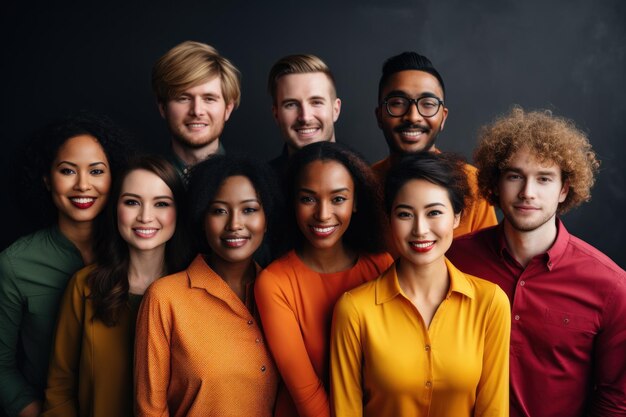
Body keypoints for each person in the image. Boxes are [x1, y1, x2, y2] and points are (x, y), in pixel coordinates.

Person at [447, 107, 626, 417]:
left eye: (544, 179)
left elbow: (615, 399)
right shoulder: (453, 261)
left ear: (564, 189)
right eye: (515, 176)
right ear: (496, 183)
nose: (527, 193)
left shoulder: (611, 286)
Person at [330, 152, 510, 417]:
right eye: (405, 214)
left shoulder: (490, 302)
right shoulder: (354, 310)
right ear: (389, 219)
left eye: (434, 212)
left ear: (457, 217)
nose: (420, 230)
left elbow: (493, 410)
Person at [0, 113, 131, 417]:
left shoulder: (136, 250)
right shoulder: (15, 264)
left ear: (115, 178)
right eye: (67, 171)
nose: (83, 185)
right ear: (47, 179)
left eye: (96, 171)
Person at [42, 156, 190, 417]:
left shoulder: (195, 290)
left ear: (178, 212)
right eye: (132, 202)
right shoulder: (84, 286)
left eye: (161, 204)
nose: (145, 217)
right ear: (115, 209)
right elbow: (59, 388)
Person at [135, 155, 281, 417]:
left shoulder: (283, 293)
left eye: (249, 209)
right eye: (219, 211)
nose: (235, 224)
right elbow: (149, 410)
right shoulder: (165, 297)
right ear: (202, 219)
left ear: (266, 218)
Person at [255, 142, 394, 417]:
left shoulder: (382, 265)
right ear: (292, 203)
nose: (323, 214)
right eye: (308, 199)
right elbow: (306, 393)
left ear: (356, 203)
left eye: (338, 199)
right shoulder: (274, 282)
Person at [372, 51, 496, 237]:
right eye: (397, 103)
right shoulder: (363, 186)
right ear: (380, 116)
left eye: (428, 104)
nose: (413, 116)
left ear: (443, 117)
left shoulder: (473, 185)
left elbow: (488, 260)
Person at [152, 40, 241, 183]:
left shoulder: (251, 181)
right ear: (162, 108)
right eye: (183, 98)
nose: (197, 111)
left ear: (228, 109)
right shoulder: (141, 179)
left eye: (209, 99)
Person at [267, 54, 341, 176]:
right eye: (291, 104)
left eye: (316, 102)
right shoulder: (260, 186)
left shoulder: (366, 180)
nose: (305, 117)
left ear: (336, 109)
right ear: (276, 114)